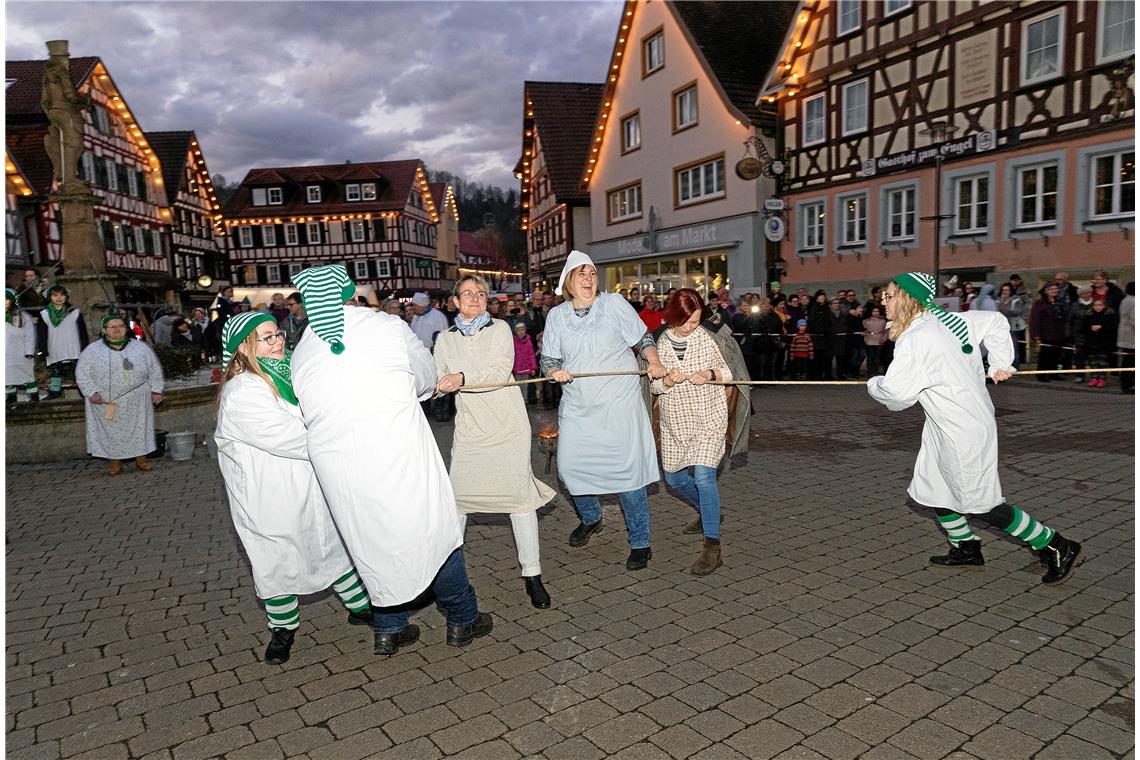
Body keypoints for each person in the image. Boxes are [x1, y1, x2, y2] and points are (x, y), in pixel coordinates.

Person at [290, 264, 492, 655]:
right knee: (433, 531)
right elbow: (423, 378)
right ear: (350, 293)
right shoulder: (386, 327)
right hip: (394, 450)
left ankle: (389, 628)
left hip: (340, 466)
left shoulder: (304, 349)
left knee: (370, 540)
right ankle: (462, 618)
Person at [868, 273, 1083, 585]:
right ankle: (966, 548)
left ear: (907, 298)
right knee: (934, 487)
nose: (883, 302)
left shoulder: (918, 338)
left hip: (961, 429)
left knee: (980, 503)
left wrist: (875, 384)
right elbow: (995, 321)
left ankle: (1055, 545)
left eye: (889, 296)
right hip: (948, 423)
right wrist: (1000, 362)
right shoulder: (952, 320)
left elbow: (898, 395)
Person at [214, 312, 373, 664]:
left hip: (310, 480)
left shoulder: (289, 371)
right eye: (266, 338)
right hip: (271, 491)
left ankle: (360, 607)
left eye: (278, 334)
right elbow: (287, 437)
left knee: (332, 543)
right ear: (244, 347)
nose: (278, 342)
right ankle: (283, 628)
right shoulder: (243, 390)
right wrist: (342, 434)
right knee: (279, 558)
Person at [433, 275, 557, 608]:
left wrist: (459, 378)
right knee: (458, 502)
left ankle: (532, 575)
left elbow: (499, 372)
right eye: (467, 293)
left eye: (481, 293)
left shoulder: (500, 329)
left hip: (506, 428)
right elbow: (436, 378)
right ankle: (450, 577)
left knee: (519, 500)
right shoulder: (444, 339)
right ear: (455, 301)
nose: (474, 298)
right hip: (471, 431)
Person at [541, 250, 667, 570]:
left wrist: (653, 361)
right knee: (570, 468)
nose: (588, 279)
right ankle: (592, 517)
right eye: (581, 273)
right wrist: (554, 370)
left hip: (618, 403)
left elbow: (642, 338)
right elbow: (549, 358)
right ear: (568, 281)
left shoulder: (614, 305)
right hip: (578, 405)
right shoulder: (556, 316)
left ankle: (640, 541)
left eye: (592, 273)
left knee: (628, 474)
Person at [651, 288, 750, 575]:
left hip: (709, 417)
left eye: (695, 321)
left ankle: (712, 546)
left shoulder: (712, 336)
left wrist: (710, 375)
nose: (690, 327)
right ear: (672, 316)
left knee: (705, 477)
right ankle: (710, 511)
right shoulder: (657, 342)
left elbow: (735, 372)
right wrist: (666, 380)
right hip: (675, 423)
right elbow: (652, 387)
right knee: (674, 478)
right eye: (685, 321)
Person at [75, 316, 164, 476]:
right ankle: (115, 462)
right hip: (106, 401)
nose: (117, 329)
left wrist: (156, 391)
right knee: (111, 431)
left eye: (120, 326)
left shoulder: (141, 348)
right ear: (104, 330)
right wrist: (91, 392)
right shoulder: (92, 350)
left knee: (139, 429)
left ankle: (141, 459)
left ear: (126, 328)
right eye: (111, 326)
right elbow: (82, 374)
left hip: (137, 400)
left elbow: (154, 369)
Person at [35, 284, 89, 399]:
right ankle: (55, 392)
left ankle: (84, 392)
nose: (59, 298)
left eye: (61, 295)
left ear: (66, 296)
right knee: (55, 370)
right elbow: (42, 334)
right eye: (55, 295)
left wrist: (85, 347)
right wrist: (43, 349)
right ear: (50, 297)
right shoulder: (44, 315)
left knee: (78, 370)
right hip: (54, 346)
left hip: (73, 346)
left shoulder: (74, 312)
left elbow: (82, 332)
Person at [1030, 283, 1068, 381]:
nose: (1054, 291)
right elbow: (1035, 320)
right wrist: (1036, 336)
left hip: (1058, 334)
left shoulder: (1059, 302)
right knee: (1045, 356)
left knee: (1056, 355)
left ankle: (1053, 373)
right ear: (1046, 290)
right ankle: (1042, 374)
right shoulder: (1040, 303)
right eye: (1052, 289)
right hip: (1045, 334)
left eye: (1056, 289)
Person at [6, 289, 38, 405]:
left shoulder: (22, 317)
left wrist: (29, 351)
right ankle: (11, 397)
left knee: (26, 374)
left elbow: (29, 335)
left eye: (6, 300)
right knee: (6, 375)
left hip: (21, 352)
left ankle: (34, 396)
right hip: (5, 354)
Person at [1081, 299, 1117, 388]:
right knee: (1093, 362)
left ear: (1104, 305)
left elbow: (1113, 328)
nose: (1098, 307)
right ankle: (1093, 378)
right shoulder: (1088, 315)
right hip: (1091, 343)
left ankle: (1101, 378)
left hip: (1105, 343)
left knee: (1102, 362)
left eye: (1100, 305)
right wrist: (1090, 328)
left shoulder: (1110, 315)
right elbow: (1082, 328)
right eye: (1096, 305)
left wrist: (1102, 327)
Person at [996, 283, 1027, 368]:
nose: (1005, 292)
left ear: (1011, 291)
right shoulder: (998, 300)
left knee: (1014, 348)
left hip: (1014, 327)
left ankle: (1015, 366)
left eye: (1007, 290)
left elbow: (1017, 312)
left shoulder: (1016, 300)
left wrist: (1004, 308)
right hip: (1001, 328)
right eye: (1003, 290)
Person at [511, 321, 539, 405]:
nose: (521, 332)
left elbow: (531, 355)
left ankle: (525, 400)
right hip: (518, 368)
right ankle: (519, 401)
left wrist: (533, 368)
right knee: (518, 386)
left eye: (523, 330)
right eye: (519, 330)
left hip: (527, 368)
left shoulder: (528, 341)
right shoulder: (513, 342)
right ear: (516, 331)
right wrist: (513, 367)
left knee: (525, 386)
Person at [862, 306, 888, 377]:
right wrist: (865, 339)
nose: (876, 313)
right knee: (870, 358)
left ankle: (875, 372)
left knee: (877, 358)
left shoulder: (883, 321)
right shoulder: (866, 321)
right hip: (869, 341)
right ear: (871, 312)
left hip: (879, 341)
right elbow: (864, 331)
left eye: (877, 311)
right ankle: (870, 372)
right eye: (874, 311)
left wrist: (883, 339)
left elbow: (885, 332)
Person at [1118, 282, 1135, 395]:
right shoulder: (1134, 301)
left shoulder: (1125, 300)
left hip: (1125, 334)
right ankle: (1127, 384)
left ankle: (1126, 382)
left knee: (1127, 360)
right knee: (1130, 361)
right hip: (1132, 336)